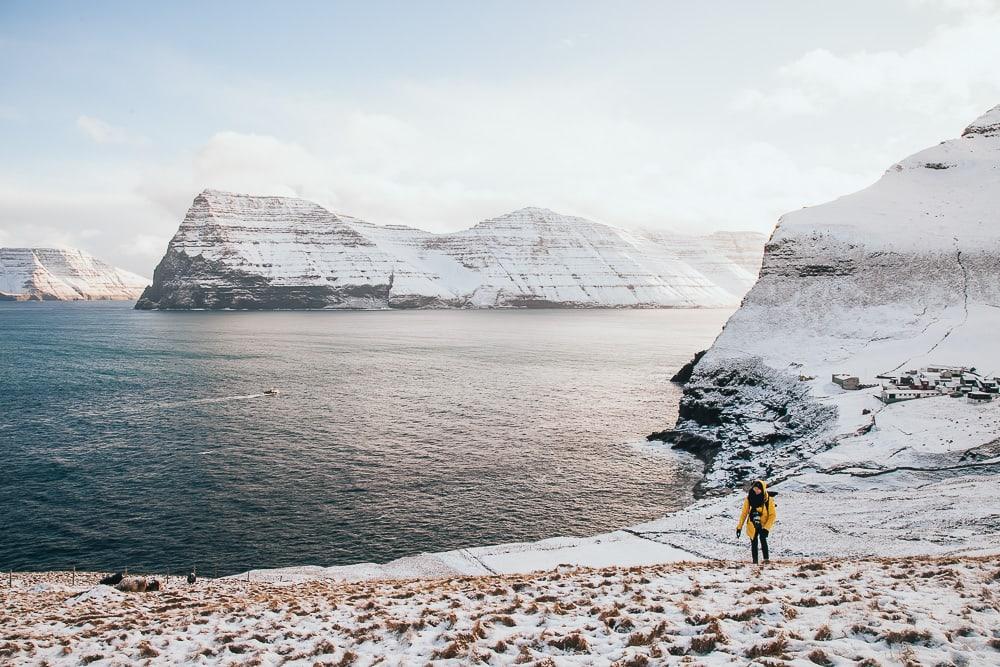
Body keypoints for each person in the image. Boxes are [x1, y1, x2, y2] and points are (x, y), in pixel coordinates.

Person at [736, 479, 776, 565]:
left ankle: (766, 561)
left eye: (758, 489)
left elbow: (772, 515)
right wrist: (739, 527)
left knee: (763, 539)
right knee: (754, 542)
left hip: (764, 524)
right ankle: (755, 563)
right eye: (755, 488)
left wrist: (766, 528)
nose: (756, 491)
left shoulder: (768, 499)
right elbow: (744, 513)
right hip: (752, 523)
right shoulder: (750, 497)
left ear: (763, 489)